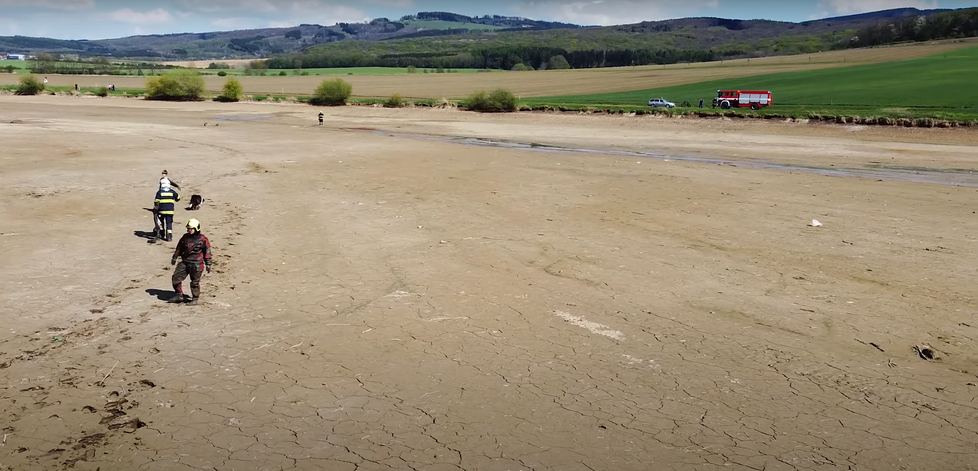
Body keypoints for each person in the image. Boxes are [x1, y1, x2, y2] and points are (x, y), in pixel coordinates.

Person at [168, 218, 212, 305]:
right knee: (176, 278)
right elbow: (179, 248)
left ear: (196, 228)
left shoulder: (203, 239)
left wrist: (208, 263)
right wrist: (175, 257)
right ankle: (179, 294)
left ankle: (195, 298)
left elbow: (207, 252)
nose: (189, 230)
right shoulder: (185, 237)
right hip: (185, 262)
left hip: (197, 264)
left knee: (194, 282)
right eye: (188, 228)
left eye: (191, 228)